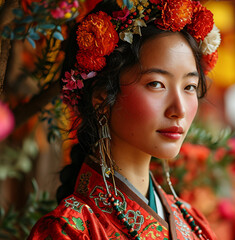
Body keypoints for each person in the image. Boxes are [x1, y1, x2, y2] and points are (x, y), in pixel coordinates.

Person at [28, 0, 220, 239]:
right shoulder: (68, 231)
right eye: (156, 84)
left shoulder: (194, 224)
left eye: (190, 87)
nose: (179, 109)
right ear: (102, 97)